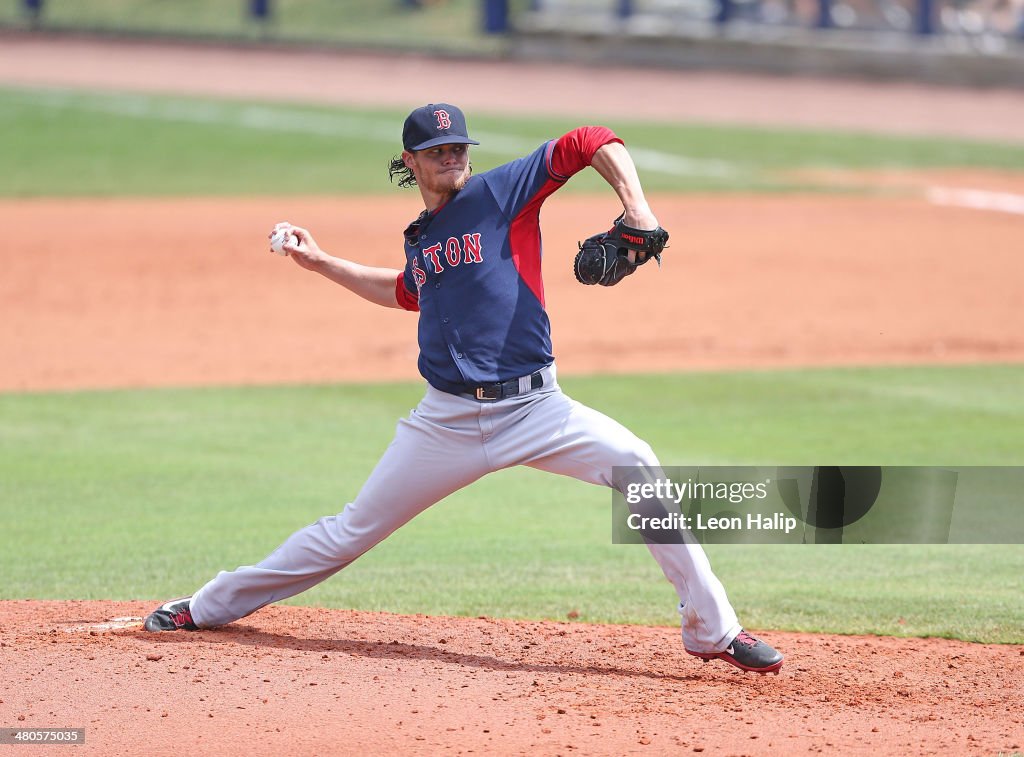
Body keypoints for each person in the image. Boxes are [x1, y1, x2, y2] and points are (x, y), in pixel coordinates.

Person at [143, 103, 783, 675]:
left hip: (537, 408)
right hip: (444, 423)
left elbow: (591, 138)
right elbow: (402, 292)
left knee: (638, 464)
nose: (452, 157)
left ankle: (712, 629)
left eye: (459, 148)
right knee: (347, 533)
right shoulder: (421, 240)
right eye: (438, 150)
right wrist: (321, 262)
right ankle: (207, 605)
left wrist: (637, 210)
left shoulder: (502, 193)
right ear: (410, 161)